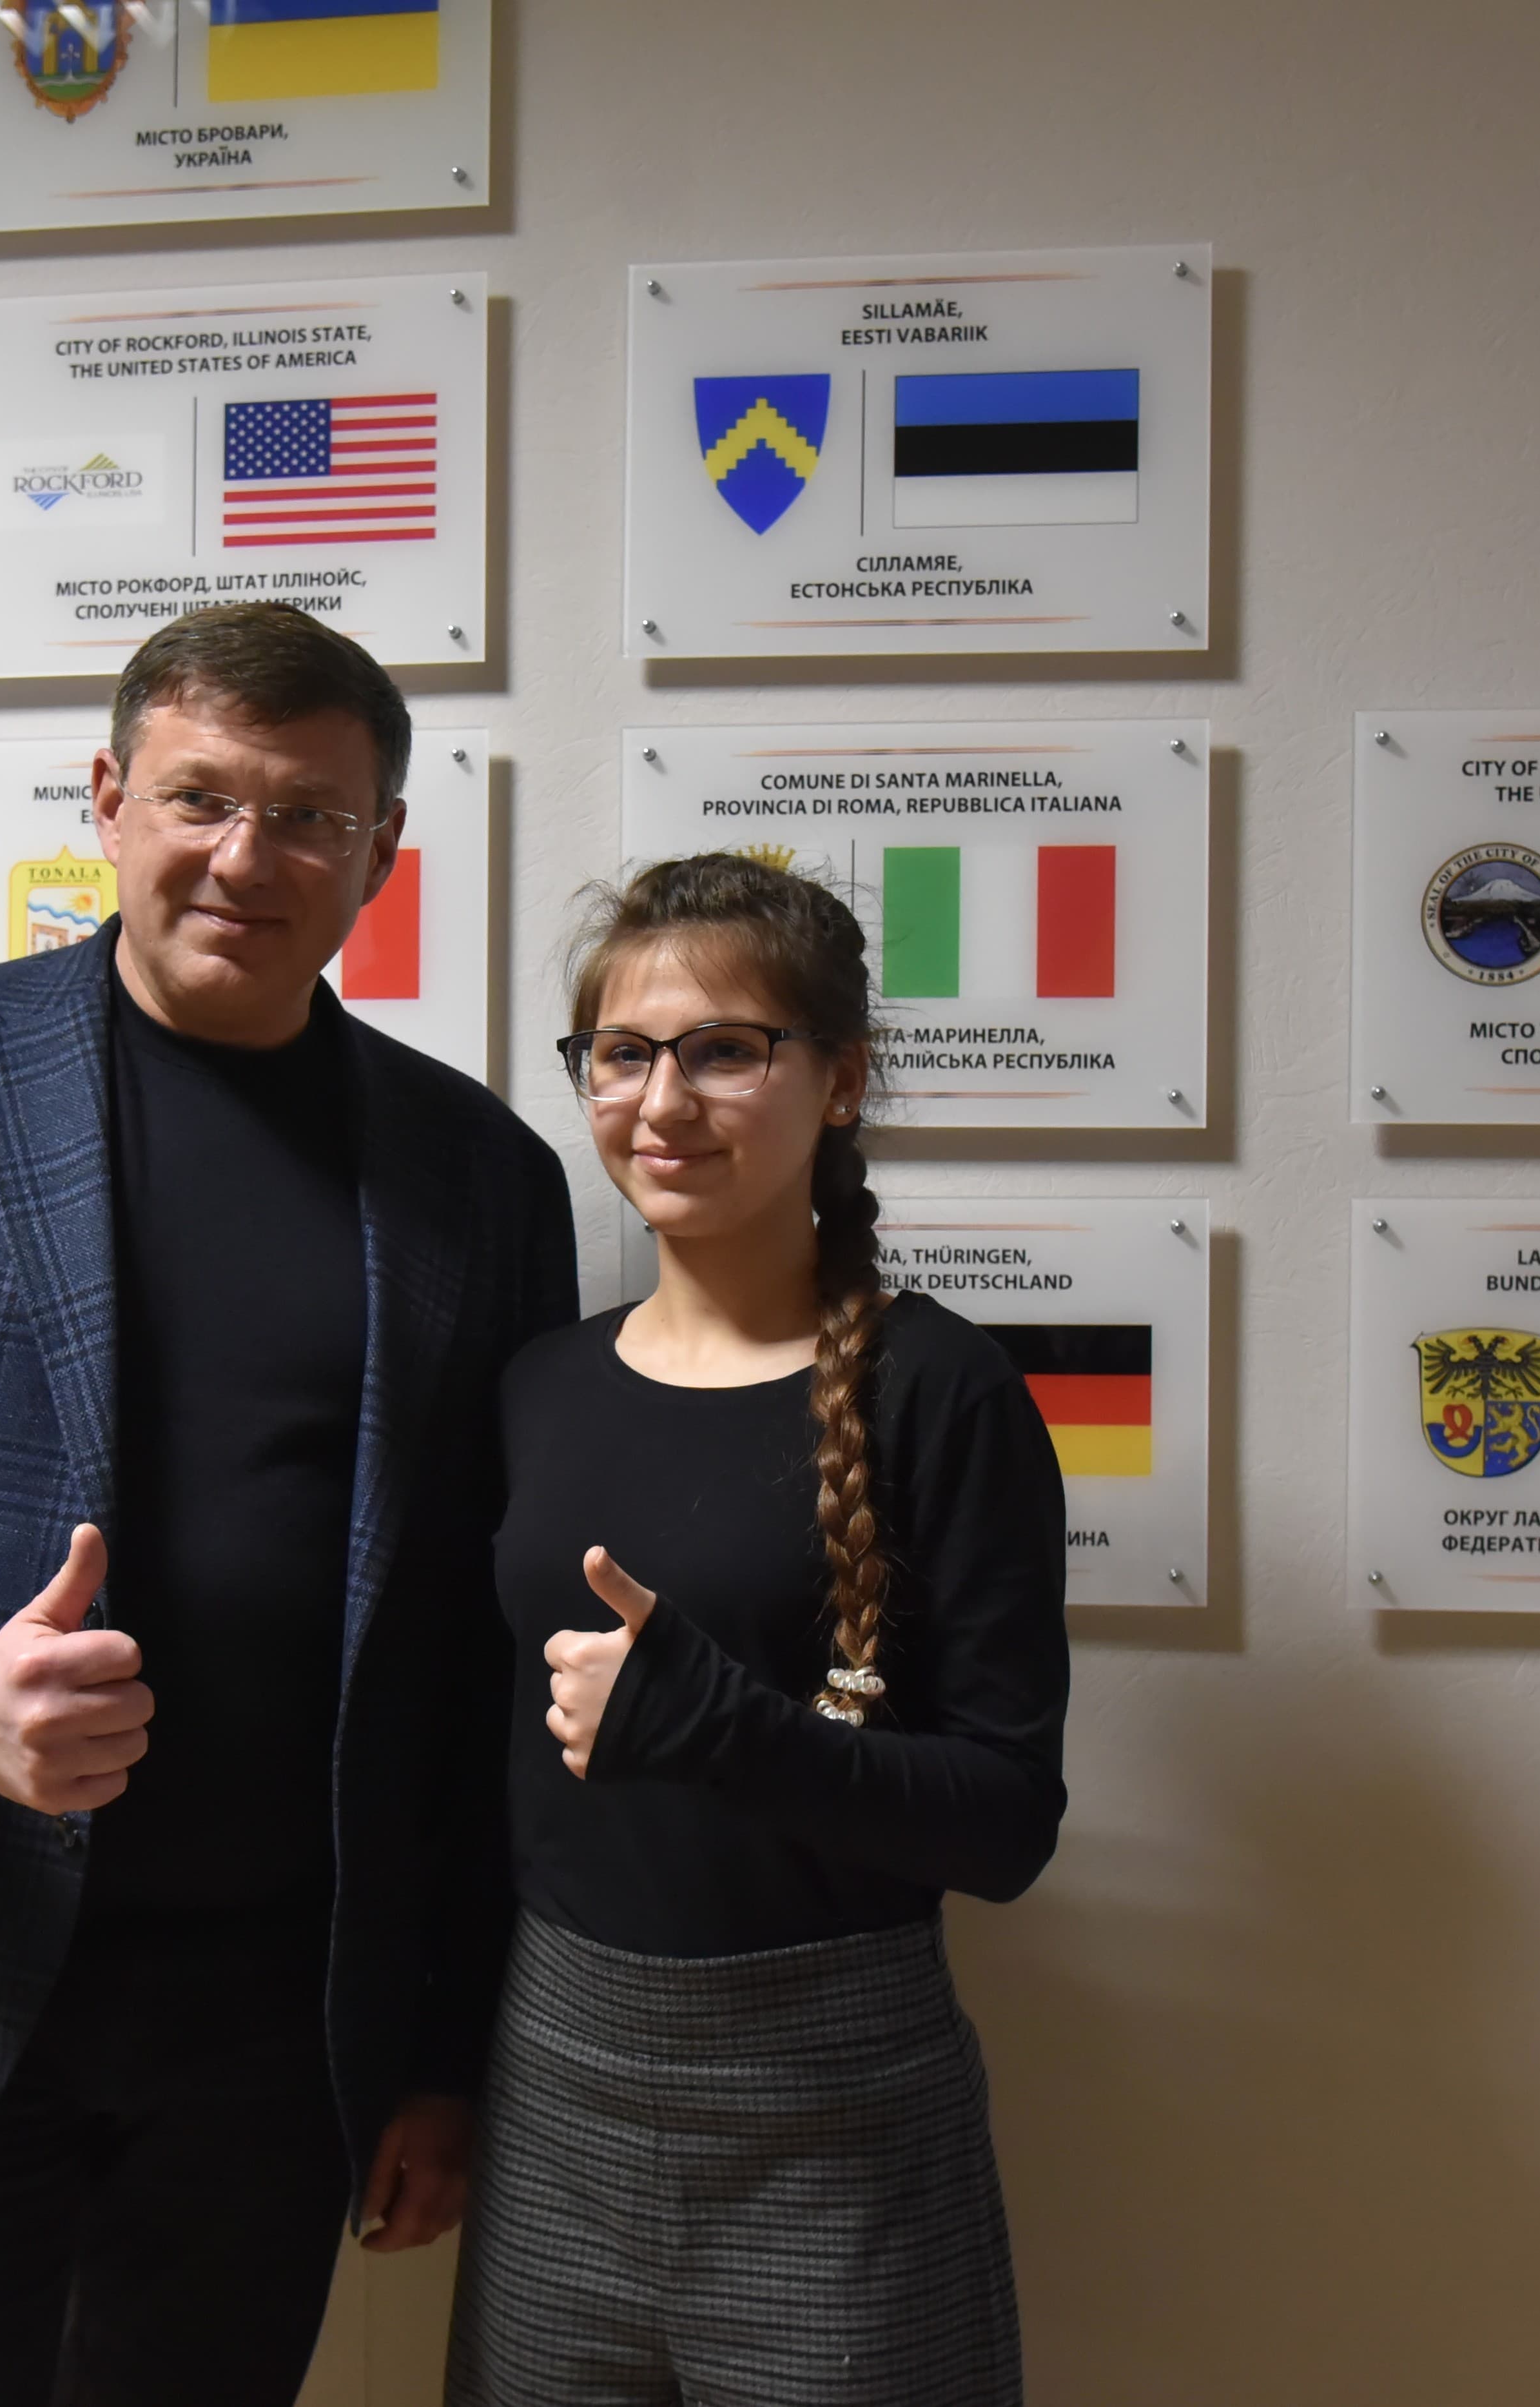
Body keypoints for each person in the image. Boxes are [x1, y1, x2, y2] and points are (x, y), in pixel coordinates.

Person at [0, 602, 578, 2407]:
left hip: (274, 2045)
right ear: (108, 800)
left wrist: (444, 2049)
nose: (247, 856)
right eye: (201, 798)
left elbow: (480, 1656)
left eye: (309, 815)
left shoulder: (484, 1176)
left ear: (381, 849)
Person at [447, 855, 1071, 2407]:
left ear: (839, 1080)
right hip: (553, 2088)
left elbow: (1004, 1824)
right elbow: (470, 1777)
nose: (663, 1101)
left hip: (837, 2110)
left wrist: (727, 1731)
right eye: (622, 1053)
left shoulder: (943, 1392)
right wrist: (422, 2064)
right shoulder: (535, 1387)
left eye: (725, 1049)